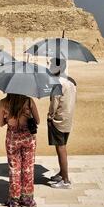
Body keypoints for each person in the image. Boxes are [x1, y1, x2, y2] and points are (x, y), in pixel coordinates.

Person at [0, 93, 40, 207]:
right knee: (28, 168)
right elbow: (38, 120)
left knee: (14, 169)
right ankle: (27, 199)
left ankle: (14, 200)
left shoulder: (3, 103)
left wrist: (9, 118)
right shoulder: (29, 101)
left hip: (12, 138)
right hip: (28, 137)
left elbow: (1, 123)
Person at [47, 58, 77, 189]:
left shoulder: (57, 84)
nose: (49, 67)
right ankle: (61, 173)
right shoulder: (71, 82)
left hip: (58, 120)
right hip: (68, 119)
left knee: (61, 149)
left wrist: (49, 117)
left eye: (52, 65)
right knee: (62, 146)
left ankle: (65, 180)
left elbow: (54, 105)